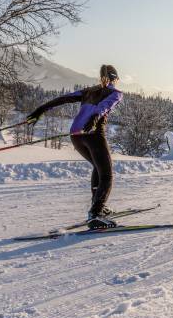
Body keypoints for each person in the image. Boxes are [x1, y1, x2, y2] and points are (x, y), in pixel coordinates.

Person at [26, 64, 123, 228]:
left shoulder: (88, 91)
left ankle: (97, 206)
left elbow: (63, 98)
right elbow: (104, 106)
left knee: (97, 167)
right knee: (106, 175)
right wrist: (95, 117)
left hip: (76, 136)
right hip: (93, 134)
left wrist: (41, 109)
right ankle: (95, 213)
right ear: (116, 79)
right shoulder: (116, 93)